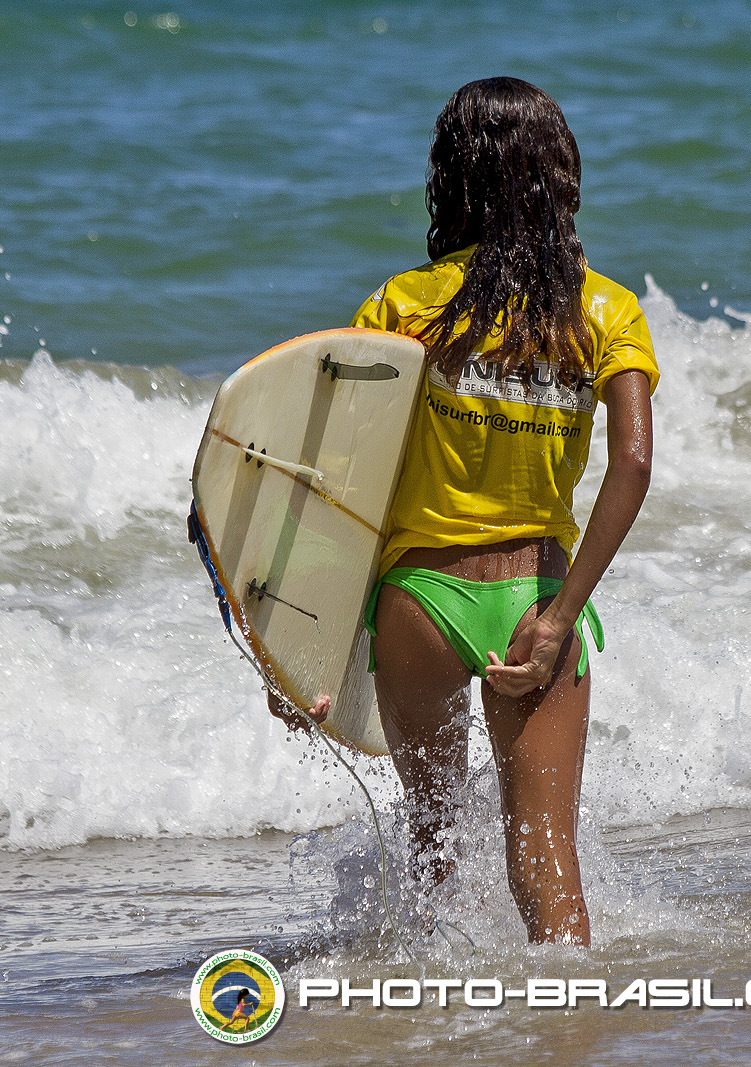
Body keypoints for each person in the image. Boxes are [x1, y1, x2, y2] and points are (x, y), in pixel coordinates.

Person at [276, 77, 657, 946]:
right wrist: (559, 619)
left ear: (454, 176)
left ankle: (428, 1010)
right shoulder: (606, 310)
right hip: (536, 598)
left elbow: (341, 481)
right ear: (559, 177)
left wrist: (301, 653)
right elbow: (633, 463)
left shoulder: (405, 306)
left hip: (419, 602)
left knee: (433, 847)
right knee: (547, 858)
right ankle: (569, 1011)